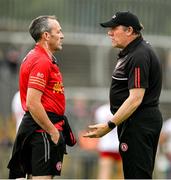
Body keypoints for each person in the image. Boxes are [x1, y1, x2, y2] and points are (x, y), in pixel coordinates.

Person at [84, 11, 163, 179]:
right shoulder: (133, 52)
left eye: (114, 28)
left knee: (137, 176)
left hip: (139, 123)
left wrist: (109, 125)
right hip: (135, 122)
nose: (109, 33)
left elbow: (135, 99)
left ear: (129, 30)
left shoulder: (139, 55)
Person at [7, 15, 76, 179]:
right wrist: (52, 131)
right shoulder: (41, 60)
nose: (62, 35)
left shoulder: (40, 57)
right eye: (58, 31)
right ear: (46, 35)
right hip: (42, 131)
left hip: (38, 130)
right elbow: (32, 103)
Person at [94, 103, 122, 179]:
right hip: (120, 146)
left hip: (107, 146)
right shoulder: (124, 109)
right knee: (122, 175)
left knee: (104, 174)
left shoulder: (101, 110)